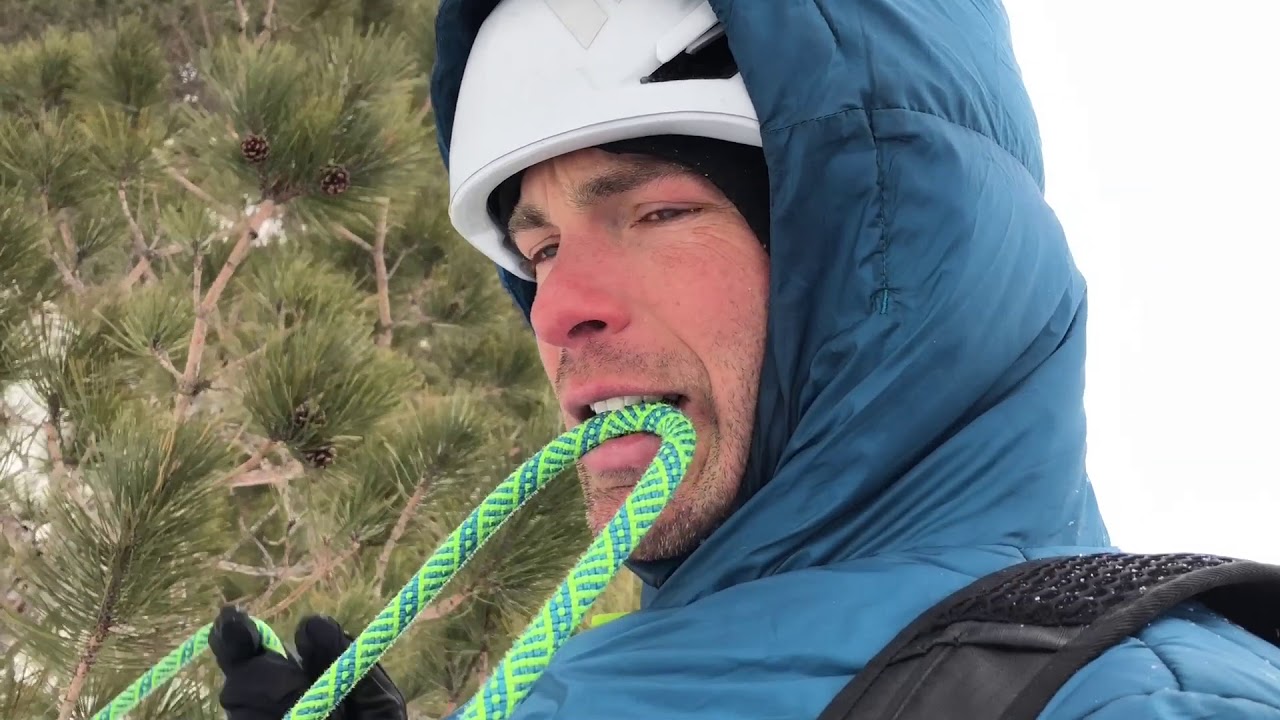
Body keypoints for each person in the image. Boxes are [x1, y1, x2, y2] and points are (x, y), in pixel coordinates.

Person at [209, 1, 1280, 718]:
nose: (557, 312)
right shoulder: (607, 684)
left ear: (876, 252)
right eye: (536, 250)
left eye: (659, 211)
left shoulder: (1132, 699)